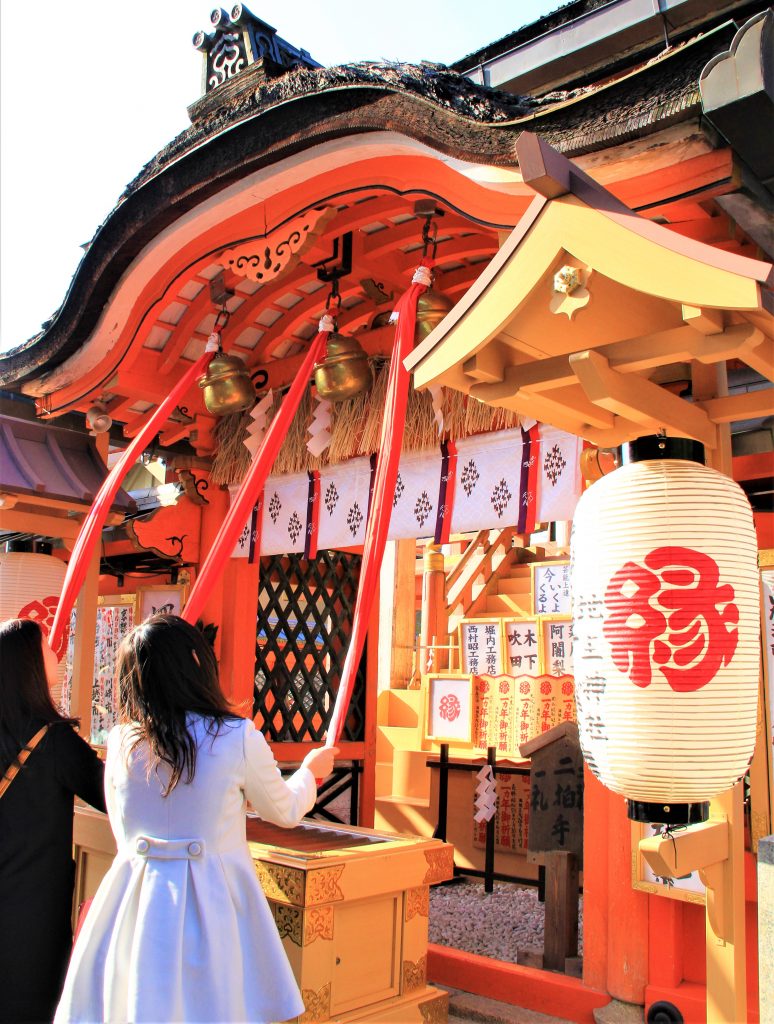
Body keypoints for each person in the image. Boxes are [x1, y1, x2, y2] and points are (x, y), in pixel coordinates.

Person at [56, 614, 338, 1024]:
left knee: (133, 1002)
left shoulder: (120, 741)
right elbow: (284, 810)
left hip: (134, 897)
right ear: (197, 664)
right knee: (214, 1004)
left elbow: (121, 825)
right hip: (213, 899)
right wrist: (311, 772)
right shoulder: (236, 736)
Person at [0, 617, 106, 1024]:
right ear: (28, 663)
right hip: (32, 913)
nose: (55, 652)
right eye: (45, 645)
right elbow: (112, 796)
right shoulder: (51, 739)